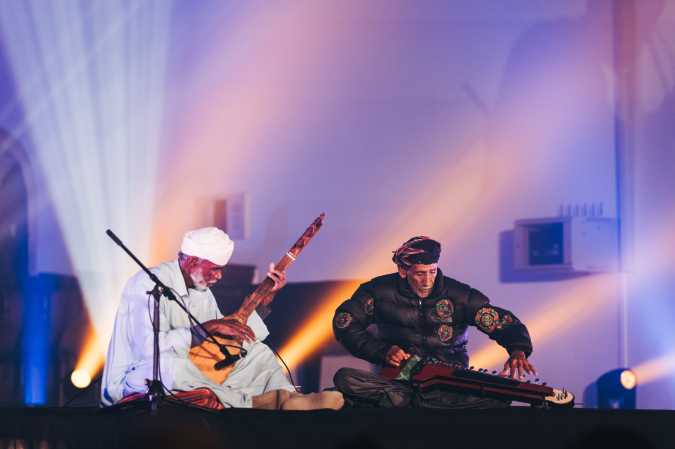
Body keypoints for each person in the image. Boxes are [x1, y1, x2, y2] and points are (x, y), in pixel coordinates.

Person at [101, 227, 343, 410]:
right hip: (138, 376)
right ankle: (255, 402)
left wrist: (265, 301)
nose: (218, 276)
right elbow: (149, 350)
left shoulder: (201, 289)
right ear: (193, 261)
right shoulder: (145, 283)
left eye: (221, 270)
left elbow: (222, 341)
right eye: (214, 269)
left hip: (193, 369)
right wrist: (204, 329)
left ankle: (289, 400)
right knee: (171, 366)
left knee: (257, 352)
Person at [332, 236, 535, 408]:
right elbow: (345, 323)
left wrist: (518, 349)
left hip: (449, 380)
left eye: (433, 271)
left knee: (500, 395)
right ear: (403, 271)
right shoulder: (378, 291)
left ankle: (406, 401)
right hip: (400, 377)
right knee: (345, 378)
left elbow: (500, 321)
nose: (428, 281)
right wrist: (382, 351)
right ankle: (415, 400)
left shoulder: (460, 296)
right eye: (420, 273)